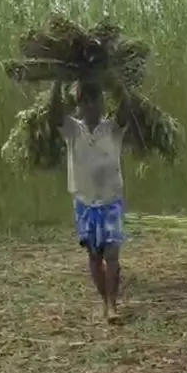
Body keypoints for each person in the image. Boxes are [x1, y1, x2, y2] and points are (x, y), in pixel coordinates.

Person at [49, 79, 132, 324]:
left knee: (112, 255)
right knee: (95, 257)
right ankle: (104, 300)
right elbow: (54, 114)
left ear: (102, 103)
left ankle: (112, 305)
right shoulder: (73, 130)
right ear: (79, 105)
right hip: (85, 202)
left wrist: (117, 82)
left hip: (110, 202)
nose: (90, 106)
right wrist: (57, 83)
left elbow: (127, 109)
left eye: (94, 100)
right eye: (85, 101)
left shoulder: (112, 128)